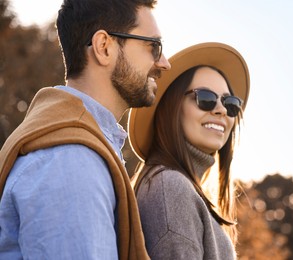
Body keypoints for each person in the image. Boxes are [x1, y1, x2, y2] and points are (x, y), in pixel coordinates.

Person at [0, 0, 170, 259]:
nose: (164, 63)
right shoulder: (71, 160)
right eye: (154, 47)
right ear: (104, 47)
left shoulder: (76, 147)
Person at [128, 42, 250, 259]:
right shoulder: (171, 188)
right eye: (206, 99)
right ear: (172, 106)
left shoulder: (177, 187)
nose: (222, 110)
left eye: (230, 103)